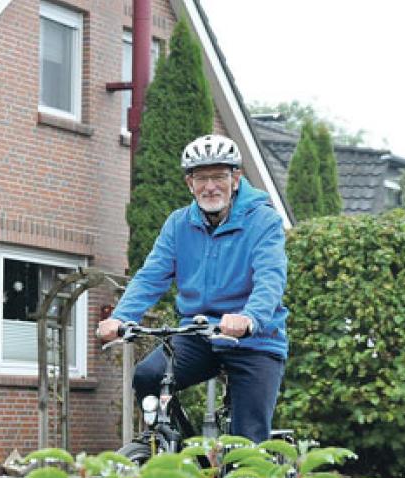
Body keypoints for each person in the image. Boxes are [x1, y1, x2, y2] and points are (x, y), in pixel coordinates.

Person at [97, 134, 288, 443]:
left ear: (235, 179)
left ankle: (246, 468)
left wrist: (250, 317)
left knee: (247, 440)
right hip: (199, 335)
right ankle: (169, 444)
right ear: (190, 184)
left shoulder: (263, 221)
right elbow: (151, 276)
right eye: (201, 178)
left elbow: (271, 278)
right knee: (148, 376)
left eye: (218, 176)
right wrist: (120, 317)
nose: (210, 186)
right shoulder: (179, 224)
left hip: (255, 340)